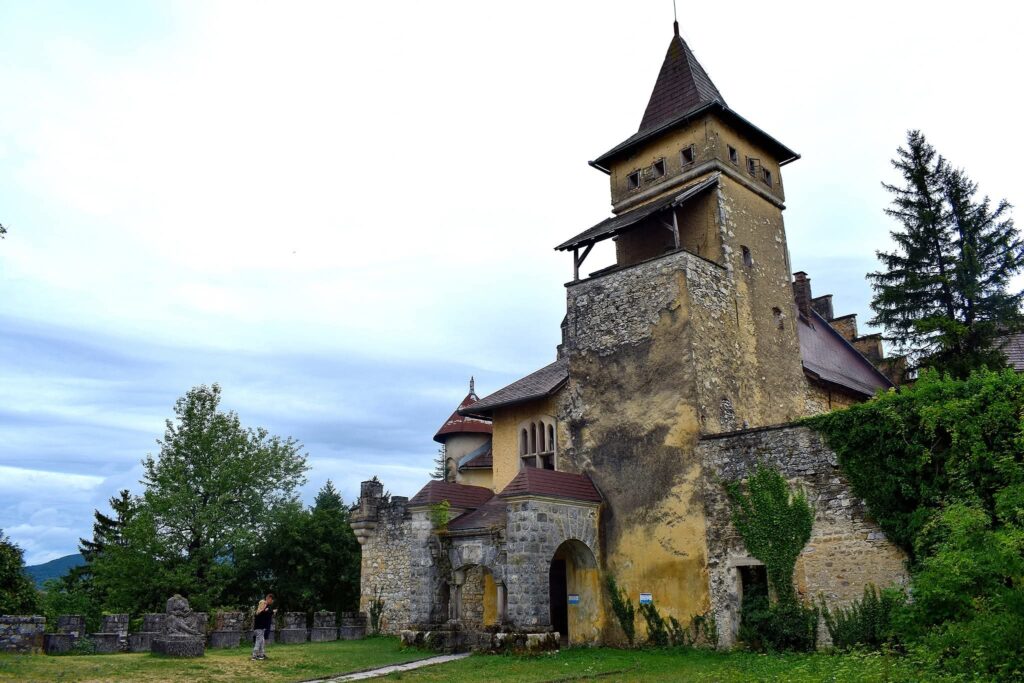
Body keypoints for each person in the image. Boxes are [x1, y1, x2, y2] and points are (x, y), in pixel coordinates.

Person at [251, 593, 276, 660]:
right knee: (258, 642)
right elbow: (265, 614)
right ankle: (254, 655)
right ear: (261, 605)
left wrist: (270, 611)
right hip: (259, 629)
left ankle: (261, 655)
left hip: (260, 629)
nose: (265, 605)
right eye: (264, 605)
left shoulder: (260, 612)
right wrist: (270, 611)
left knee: (261, 642)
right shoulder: (260, 613)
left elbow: (267, 613)